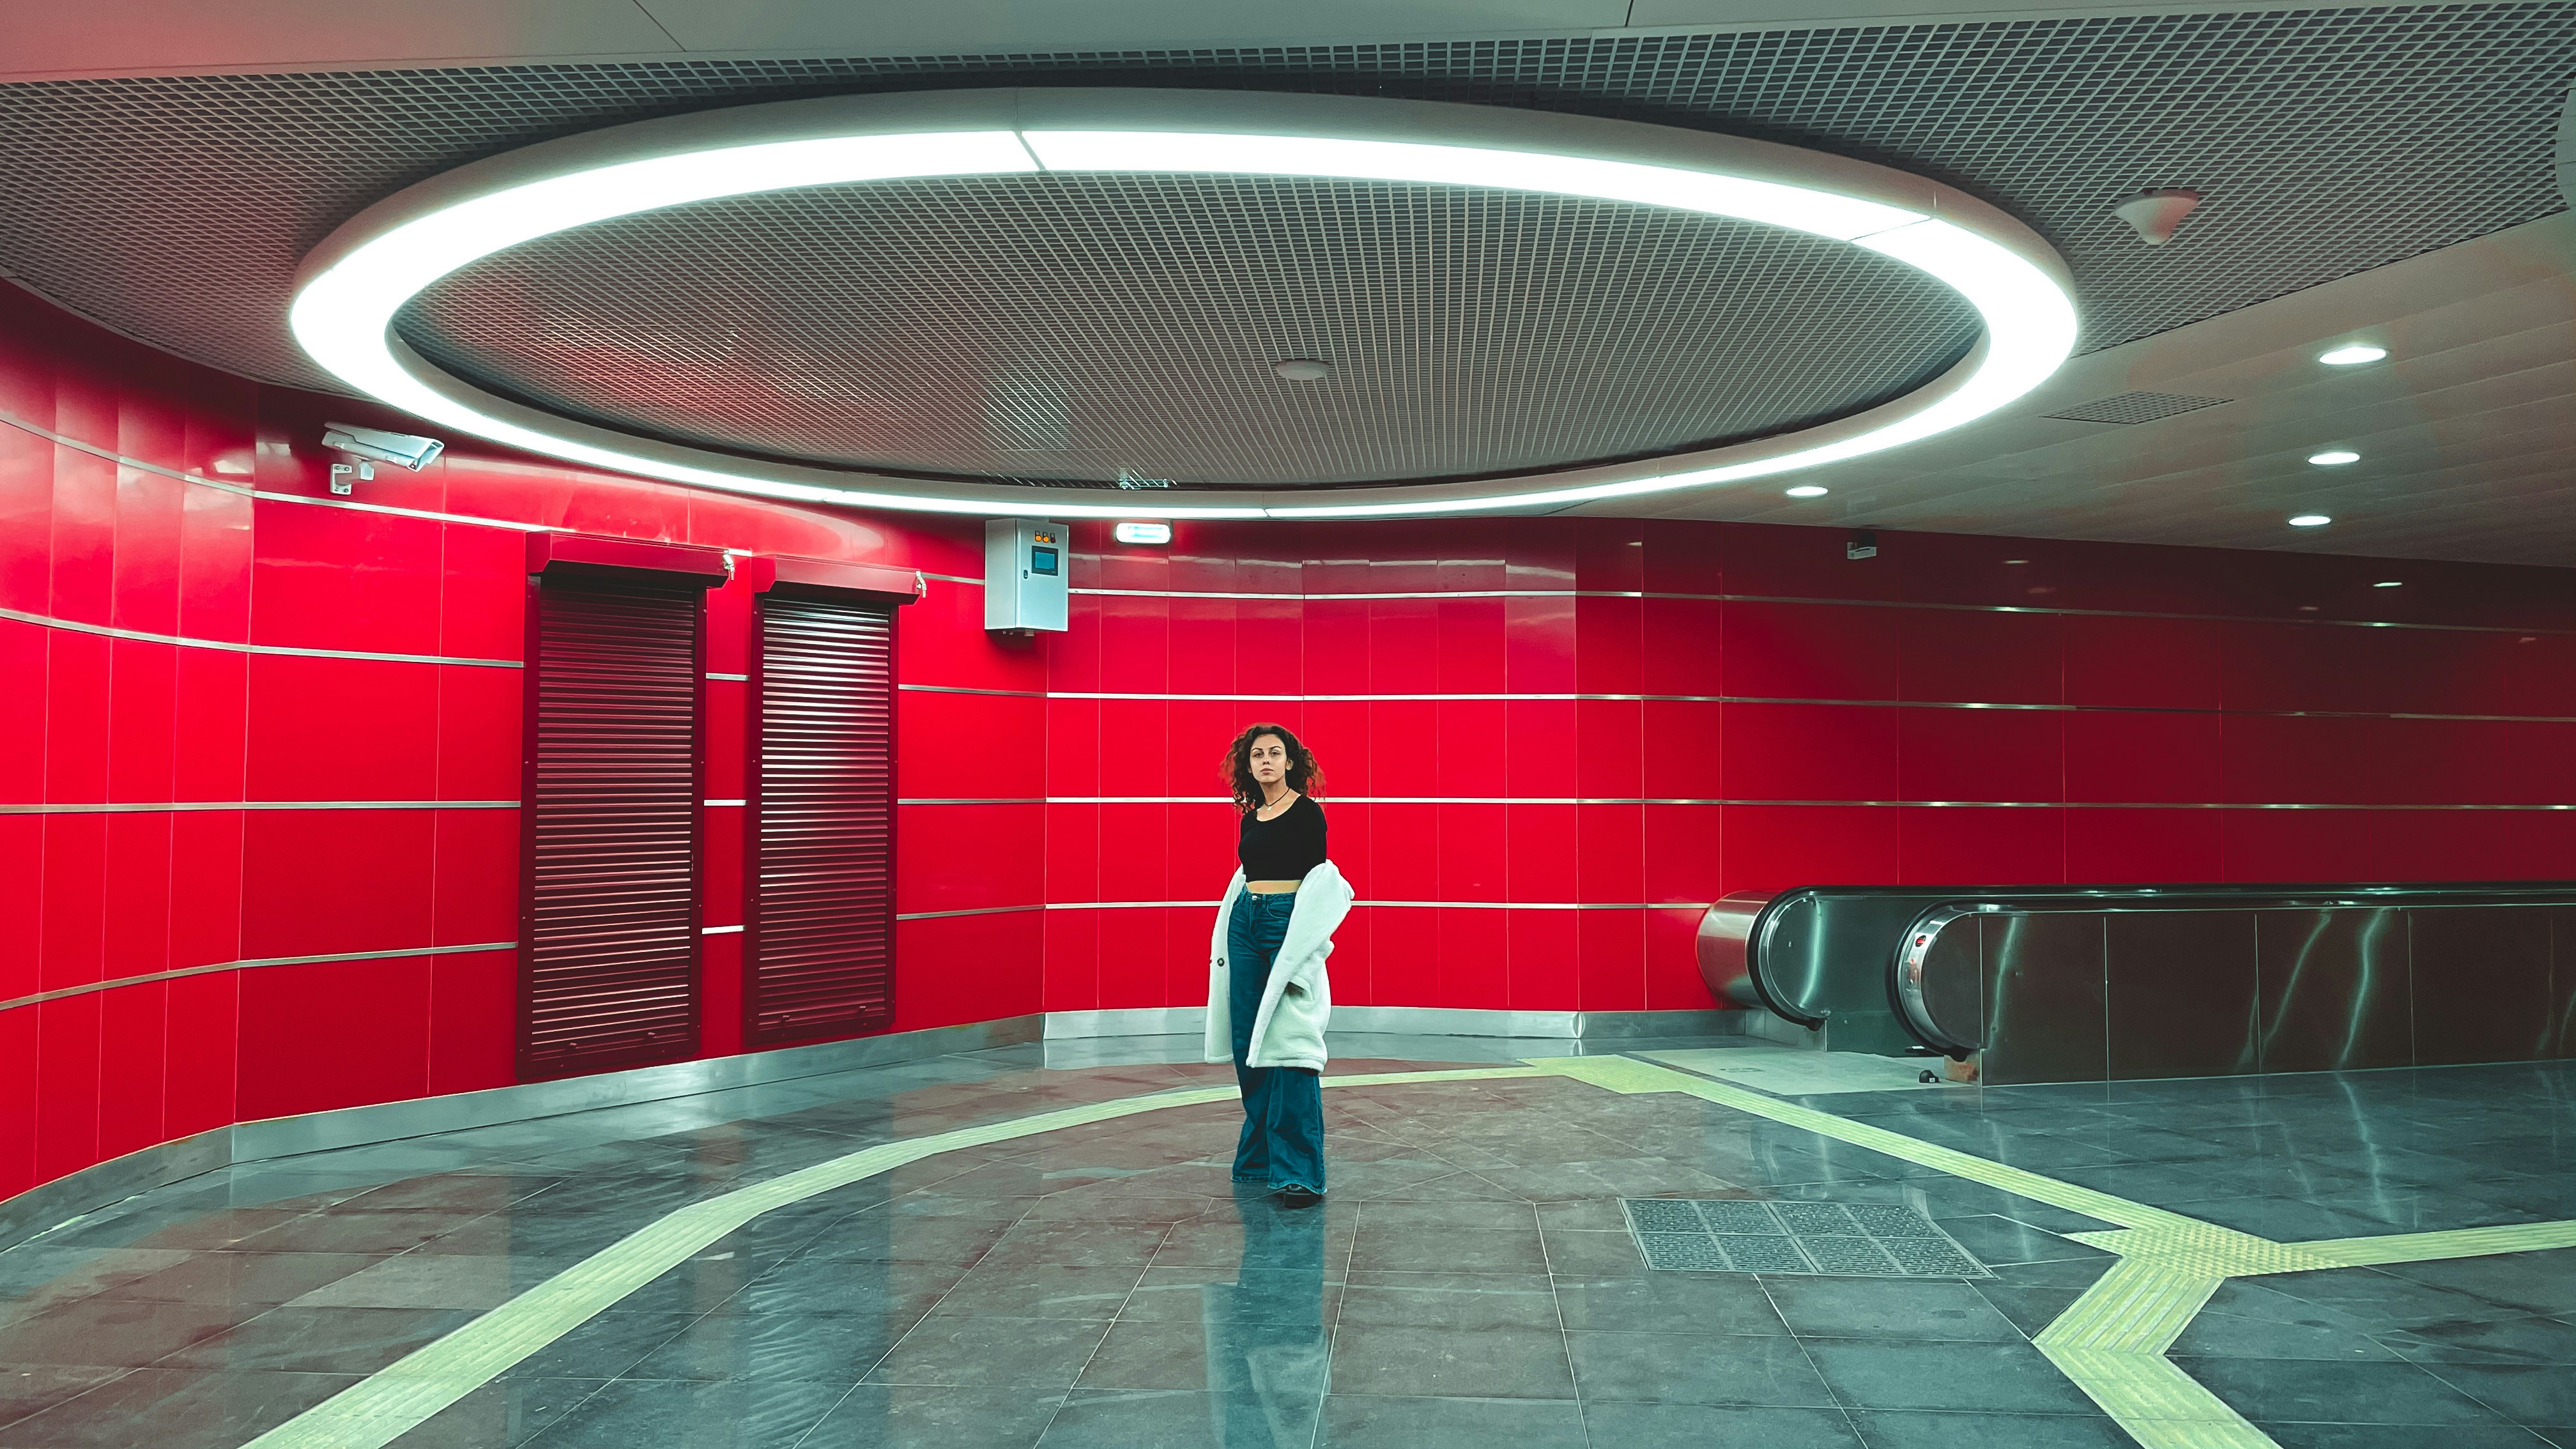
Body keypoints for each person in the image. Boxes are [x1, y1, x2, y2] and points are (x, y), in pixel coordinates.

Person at [1203, 724, 1351, 1206]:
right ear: (1247, 767)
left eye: (1275, 753)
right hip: (1246, 923)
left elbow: (1320, 888)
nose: (1265, 760)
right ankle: (1261, 1157)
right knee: (1249, 1040)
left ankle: (1300, 1173)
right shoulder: (1251, 817)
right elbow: (1247, 876)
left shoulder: (1309, 815)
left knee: (1289, 1045)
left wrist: (1305, 946)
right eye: (1257, 755)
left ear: (1291, 763)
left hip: (1285, 925)